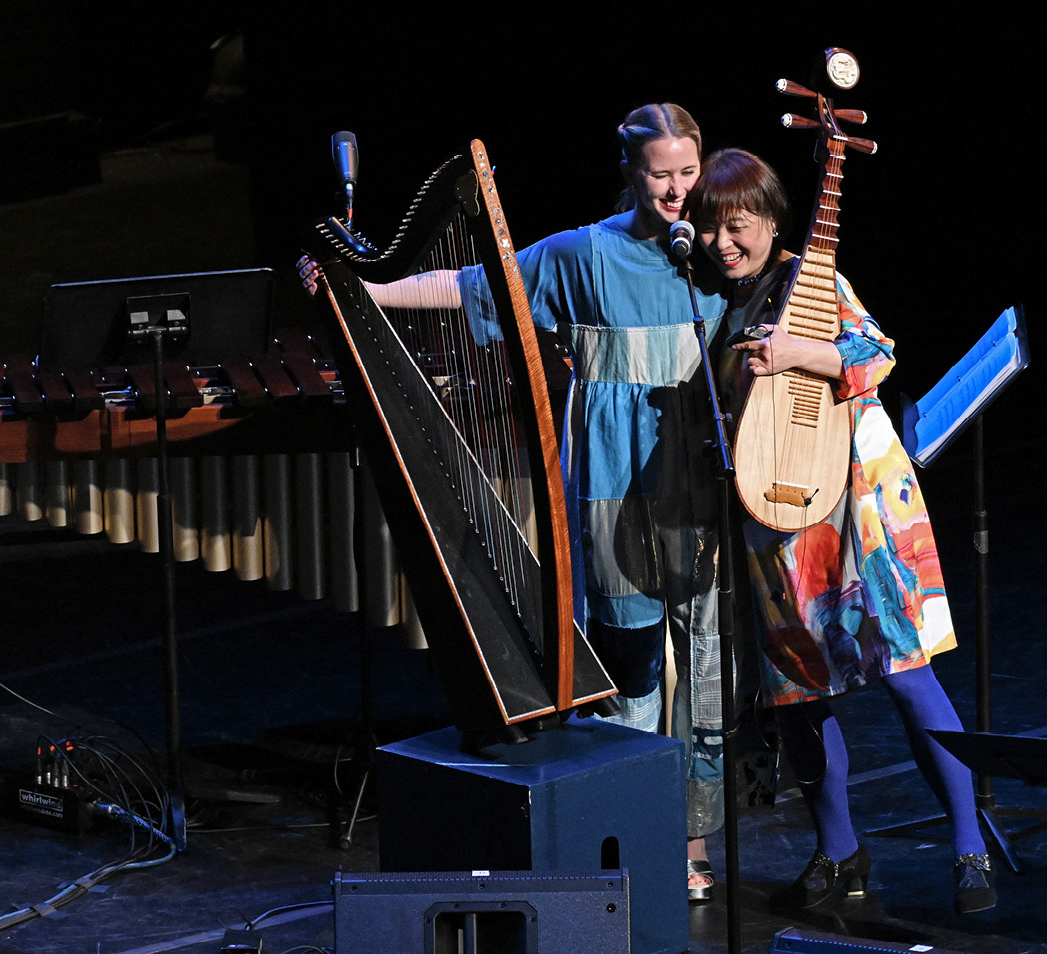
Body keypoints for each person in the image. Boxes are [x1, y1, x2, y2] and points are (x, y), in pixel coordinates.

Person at [299, 103, 731, 901]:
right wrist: (368, 288)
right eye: (659, 174)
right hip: (611, 481)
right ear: (629, 173)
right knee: (633, 663)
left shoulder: (717, 247)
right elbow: (468, 284)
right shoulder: (584, 254)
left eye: (686, 172)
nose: (676, 190)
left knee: (702, 665)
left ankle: (696, 837)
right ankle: (633, 833)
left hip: (697, 481)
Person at [690, 147, 996, 915]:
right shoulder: (715, 303)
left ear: (768, 219)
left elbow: (876, 352)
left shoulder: (810, 281)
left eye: (739, 227)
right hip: (778, 523)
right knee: (797, 699)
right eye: (711, 230)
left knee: (905, 677)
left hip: (859, 512)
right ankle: (839, 854)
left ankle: (969, 847)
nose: (724, 243)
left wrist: (797, 351)